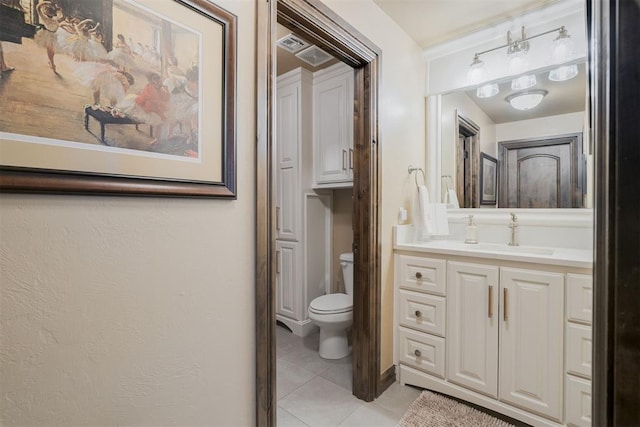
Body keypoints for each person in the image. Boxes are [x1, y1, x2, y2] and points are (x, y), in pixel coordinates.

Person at [117, 72, 169, 145]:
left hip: (152, 108)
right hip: (143, 107)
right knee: (128, 104)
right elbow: (143, 101)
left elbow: (165, 100)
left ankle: (157, 139)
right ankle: (119, 111)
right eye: (157, 80)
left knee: (159, 120)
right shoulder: (149, 88)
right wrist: (157, 103)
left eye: (159, 80)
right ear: (153, 81)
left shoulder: (162, 89)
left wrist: (161, 103)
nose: (160, 82)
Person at [33, 0, 64, 72]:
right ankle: (52, 63)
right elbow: (37, 8)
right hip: (48, 35)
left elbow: (60, 13)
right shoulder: (44, 18)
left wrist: (55, 6)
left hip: (54, 34)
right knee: (50, 50)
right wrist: (44, 3)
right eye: (47, 11)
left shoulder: (55, 17)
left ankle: (51, 62)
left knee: (52, 51)